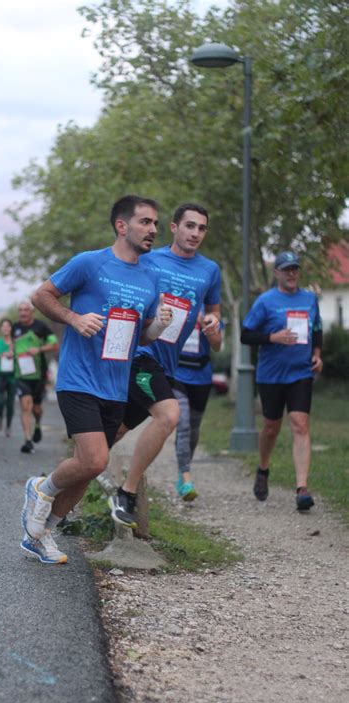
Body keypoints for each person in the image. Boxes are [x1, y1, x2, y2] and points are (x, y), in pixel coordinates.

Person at [21, 194, 173, 564]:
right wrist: (74, 318)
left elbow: (144, 336)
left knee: (86, 470)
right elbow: (42, 295)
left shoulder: (151, 275)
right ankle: (41, 488)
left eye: (155, 223)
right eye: (145, 222)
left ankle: (42, 535)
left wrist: (158, 324)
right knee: (94, 460)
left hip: (115, 383)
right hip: (78, 378)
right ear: (122, 226)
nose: (153, 229)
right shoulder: (90, 263)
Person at [108, 202, 221, 528]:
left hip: (168, 366)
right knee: (169, 414)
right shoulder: (149, 259)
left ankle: (59, 486)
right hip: (140, 355)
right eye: (190, 226)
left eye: (201, 228)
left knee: (113, 433)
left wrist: (214, 327)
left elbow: (216, 328)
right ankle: (126, 493)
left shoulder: (209, 270)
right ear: (173, 227)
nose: (195, 233)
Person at [241, 251, 323, 511]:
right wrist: (272, 338)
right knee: (271, 427)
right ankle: (263, 469)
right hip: (271, 374)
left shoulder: (310, 299)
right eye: (286, 269)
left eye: (295, 269)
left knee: (300, 424)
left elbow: (317, 329)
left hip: (300, 372)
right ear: (276, 273)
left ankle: (301, 489)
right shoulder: (266, 301)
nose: (291, 273)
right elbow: (246, 335)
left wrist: (318, 355)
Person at [172, 311, 223, 500]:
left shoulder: (210, 310)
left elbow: (217, 345)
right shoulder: (174, 302)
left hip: (201, 376)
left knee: (193, 428)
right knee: (183, 423)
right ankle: (186, 479)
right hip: (176, 372)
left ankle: (183, 470)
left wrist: (207, 327)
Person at [13, 302, 59, 453]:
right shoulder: (15, 328)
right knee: (25, 406)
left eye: (26, 310)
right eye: (20, 310)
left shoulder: (41, 327)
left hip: (38, 374)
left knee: (36, 408)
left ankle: (37, 424)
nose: (23, 313)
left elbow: (54, 345)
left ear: (31, 312)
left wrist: (38, 349)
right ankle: (27, 440)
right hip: (21, 374)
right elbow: (11, 347)